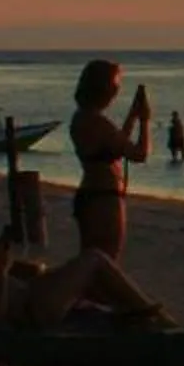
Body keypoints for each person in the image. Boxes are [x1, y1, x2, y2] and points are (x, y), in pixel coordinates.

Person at [0, 198, 166, 330]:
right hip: (31, 310)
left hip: (27, 295)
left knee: (73, 275)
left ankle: (138, 315)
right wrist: (1, 271)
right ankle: (152, 316)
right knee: (94, 259)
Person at [66, 58, 151, 261]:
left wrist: (132, 115)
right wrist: (145, 120)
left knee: (91, 260)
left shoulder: (83, 118)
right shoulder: (97, 122)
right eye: (114, 86)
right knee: (105, 262)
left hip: (92, 195)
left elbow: (117, 145)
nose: (115, 92)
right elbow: (139, 153)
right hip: (104, 198)